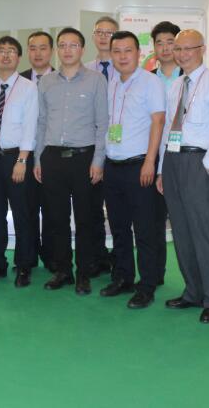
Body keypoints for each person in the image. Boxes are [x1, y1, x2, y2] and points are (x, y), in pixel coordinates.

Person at [156, 29, 209, 324]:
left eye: (189, 48)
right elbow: (167, 129)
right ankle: (193, 292)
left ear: (202, 49)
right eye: (178, 49)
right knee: (181, 231)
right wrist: (162, 168)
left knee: (204, 230)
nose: (182, 54)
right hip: (173, 160)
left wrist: (207, 165)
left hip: (198, 161)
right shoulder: (176, 85)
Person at [35, 27, 108, 295]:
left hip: (84, 158)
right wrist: (37, 159)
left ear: (82, 49)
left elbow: (103, 123)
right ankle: (63, 270)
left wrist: (98, 160)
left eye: (73, 45)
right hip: (52, 157)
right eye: (62, 45)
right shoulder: (46, 82)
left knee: (85, 219)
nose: (67, 50)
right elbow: (41, 123)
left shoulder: (96, 80)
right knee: (57, 218)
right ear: (57, 50)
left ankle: (84, 273)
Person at [99, 31, 165, 309]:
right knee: (119, 227)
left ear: (138, 53)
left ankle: (146, 285)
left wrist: (150, 161)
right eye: (117, 51)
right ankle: (123, 277)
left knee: (145, 229)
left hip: (140, 165)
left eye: (128, 50)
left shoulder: (151, 82)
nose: (122, 56)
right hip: (112, 165)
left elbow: (158, 122)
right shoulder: (111, 83)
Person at [0, 36, 39, 287]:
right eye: (1, 51)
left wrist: (22, 159)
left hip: (17, 158)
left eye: (11, 51)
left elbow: (30, 126)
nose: (6, 55)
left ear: (19, 57)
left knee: (22, 214)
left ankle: (23, 265)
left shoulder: (28, 87)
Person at [85, 15, 121, 276]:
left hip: (121, 148)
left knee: (119, 209)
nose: (104, 37)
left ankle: (120, 259)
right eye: (99, 32)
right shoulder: (85, 70)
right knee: (92, 207)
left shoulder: (125, 69)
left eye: (109, 32)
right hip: (92, 147)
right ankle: (97, 256)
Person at [151, 20, 183, 285]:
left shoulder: (190, 77)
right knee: (153, 220)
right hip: (153, 157)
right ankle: (155, 273)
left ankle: (194, 280)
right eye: (159, 43)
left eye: (170, 42)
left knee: (185, 220)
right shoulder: (148, 79)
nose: (164, 48)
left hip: (183, 158)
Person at [20, 31, 54, 271]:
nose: (38, 53)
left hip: (51, 154)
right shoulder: (19, 80)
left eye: (43, 48)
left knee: (52, 209)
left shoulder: (62, 78)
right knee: (27, 208)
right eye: (33, 48)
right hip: (25, 154)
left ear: (51, 51)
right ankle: (28, 257)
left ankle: (51, 257)